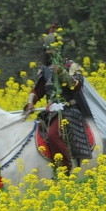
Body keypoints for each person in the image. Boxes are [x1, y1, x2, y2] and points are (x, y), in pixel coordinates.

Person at [23, 26, 94, 171]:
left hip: (68, 110)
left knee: (53, 135)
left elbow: (77, 85)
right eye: (47, 50)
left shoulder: (71, 66)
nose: (49, 52)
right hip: (50, 112)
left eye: (52, 49)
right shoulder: (45, 69)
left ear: (59, 49)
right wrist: (30, 103)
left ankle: (65, 169)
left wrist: (62, 72)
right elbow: (37, 90)